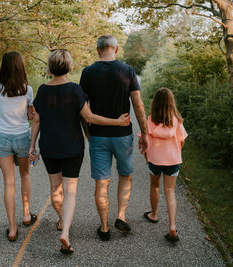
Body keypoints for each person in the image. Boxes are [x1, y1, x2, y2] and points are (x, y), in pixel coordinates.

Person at [29, 49, 130, 254]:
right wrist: (117, 122)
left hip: (49, 147)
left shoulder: (42, 90)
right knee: (70, 191)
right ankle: (65, 232)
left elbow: (36, 120)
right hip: (72, 147)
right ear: (69, 66)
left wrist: (32, 146)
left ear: (50, 68)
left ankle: (61, 219)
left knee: (55, 188)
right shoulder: (75, 90)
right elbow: (90, 118)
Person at [79, 35, 149, 241]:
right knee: (125, 176)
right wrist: (145, 133)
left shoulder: (88, 73)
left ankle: (104, 227)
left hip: (98, 136)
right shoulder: (127, 71)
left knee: (102, 183)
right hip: (123, 136)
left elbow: (82, 109)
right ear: (116, 49)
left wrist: (88, 134)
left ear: (97, 49)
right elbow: (138, 105)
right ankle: (121, 216)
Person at [0, 51, 37, 242]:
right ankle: (26, 215)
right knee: (25, 175)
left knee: (8, 182)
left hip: (2, 137)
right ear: (21, 67)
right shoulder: (28, 90)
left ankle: (12, 228)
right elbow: (30, 115)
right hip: (21, 137)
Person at [141, 88, 188, 242]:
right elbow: (181, 140)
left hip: (155, 160)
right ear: (171, 103)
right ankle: (172, 227)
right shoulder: (176, 120)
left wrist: (146, 155)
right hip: (173, 160)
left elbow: (144, 140)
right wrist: (176, 150)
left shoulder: (150, 120)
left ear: (155, 103)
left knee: (154, 186)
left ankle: (154, 214)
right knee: (170, 190)